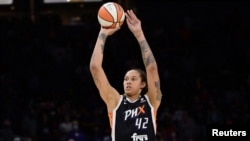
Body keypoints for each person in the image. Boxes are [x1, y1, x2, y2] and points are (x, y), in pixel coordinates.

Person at [89, 9, 162, 141]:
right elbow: (95, 67)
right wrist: (103, 33)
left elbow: (151, 68)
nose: (128, 82)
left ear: (143, 84)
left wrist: (139, 34)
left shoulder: (151, 101)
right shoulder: (115, 101)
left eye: (133, 79)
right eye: (126, 79)